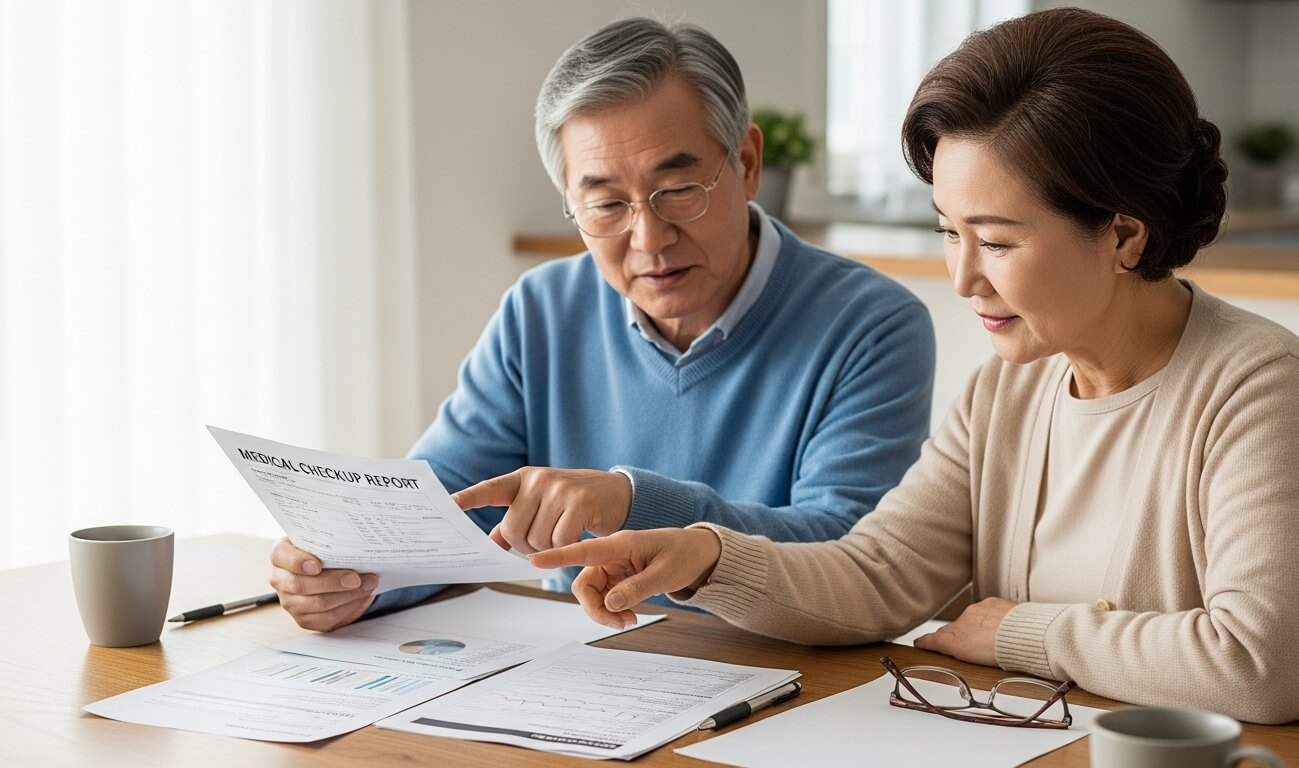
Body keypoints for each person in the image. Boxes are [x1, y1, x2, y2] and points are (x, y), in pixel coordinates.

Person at [532, 8, 1299, 725]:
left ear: (1124, 235)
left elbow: (1261, 666)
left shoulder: (1260, 386)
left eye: (998, 241)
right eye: (949, 231)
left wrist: (1020, 633)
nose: (964, 277)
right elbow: (875, 576)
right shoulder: (1007, 390)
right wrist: (704, 557)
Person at [266, 18, 935, 632]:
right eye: (607, 204)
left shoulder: (872, 326)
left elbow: (849, 560)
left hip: (785, 682)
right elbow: (446, 511)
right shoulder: (541, 311)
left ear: (748, 163)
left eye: (678, 191)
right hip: (585, 671)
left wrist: (635, 502)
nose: (649, 239)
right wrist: (352, 575)